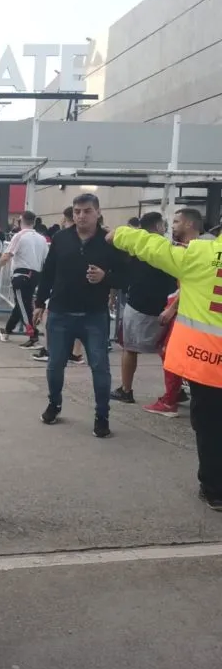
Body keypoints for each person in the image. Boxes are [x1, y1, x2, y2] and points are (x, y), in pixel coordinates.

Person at [107, 217, 222, 507]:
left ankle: (214, 490)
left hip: (207, 364)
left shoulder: (200, 254)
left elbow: (155, 248)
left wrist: (120, 234)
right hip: (207, 364)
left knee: (209, 427)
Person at [34, 193, 129, 437]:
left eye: (86, 211)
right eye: (77, 211)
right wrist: (39, 303)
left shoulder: (109, 242)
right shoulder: (61, 238)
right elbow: (48, 272)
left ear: (97, 212)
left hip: (94, 316)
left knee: (100, 367)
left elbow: (127, 277)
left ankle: (102, 415)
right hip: (60, 314)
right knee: (55, 365)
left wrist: (105, 277)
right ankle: (54, 404)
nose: (81, 216)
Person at [143, 207, 203, 417]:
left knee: (171, 353)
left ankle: (171, 401)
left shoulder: (197, 251)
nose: (172, 226)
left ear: (188, 224)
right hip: (190, 312)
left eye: (176, 222)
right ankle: (177, 393)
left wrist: (172, 308)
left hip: (191, 314)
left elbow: (194, 285)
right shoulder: (189, 248)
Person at [111, 212, 176, 404]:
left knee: (129, 349)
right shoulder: (170, 248)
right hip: (166, 307)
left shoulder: (136, 246)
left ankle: (126, 389)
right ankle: (174, 390)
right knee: (168, 353)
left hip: (139, 305)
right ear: (158, 227)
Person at [32, 206, 85, 363]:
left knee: (53, 320)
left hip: (61, 290)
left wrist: (40, 300)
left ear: (65, 218)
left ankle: (52, 350)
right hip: (80, 292)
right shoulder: (87, 237)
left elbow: (50, 269)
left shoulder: (61, 238)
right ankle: (75, 353)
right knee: (79, 322)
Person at [0, 210, 49, 347]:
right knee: (21, 304)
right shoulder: (42, 239)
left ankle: (32, 334)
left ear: (21, 221)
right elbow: (46, 260)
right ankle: (7, 330)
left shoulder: (19, 236)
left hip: (21, 274)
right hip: (36, 274)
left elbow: (7, 255)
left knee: (24, 306)